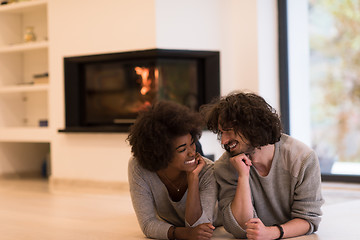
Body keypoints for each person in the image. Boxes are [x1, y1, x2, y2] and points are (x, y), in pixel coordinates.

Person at [200, 91, 324, 240]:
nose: (223, 141)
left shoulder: (302, 158)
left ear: (252, 126)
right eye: (221, 133)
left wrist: (271, 232)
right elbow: (240, 229)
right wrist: (243, 176)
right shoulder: (225, 167)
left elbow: (308, 220)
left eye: (228, 131)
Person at [127, 100, 219, 240]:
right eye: (182, 149)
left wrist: (193, 179)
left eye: (193, 143)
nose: (191, 153)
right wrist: (181, 233)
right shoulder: (139, 167)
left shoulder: (207, 171)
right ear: (160, 153)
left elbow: (200, 229)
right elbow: (147, 224)